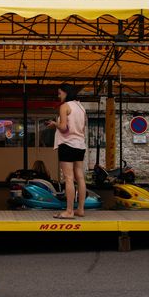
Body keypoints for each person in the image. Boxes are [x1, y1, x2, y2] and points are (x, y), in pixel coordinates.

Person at [47, 83, 87, 219]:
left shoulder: (65, 106)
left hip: (67, 144)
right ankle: (80, 209)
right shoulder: (81, 107)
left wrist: (54, 124)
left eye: (60, 93)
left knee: (68, 178)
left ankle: (69, 211)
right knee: (80, 177)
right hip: (80, 145)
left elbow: (64, 127)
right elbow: (82, 128)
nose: (59, 96)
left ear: (66, 93)